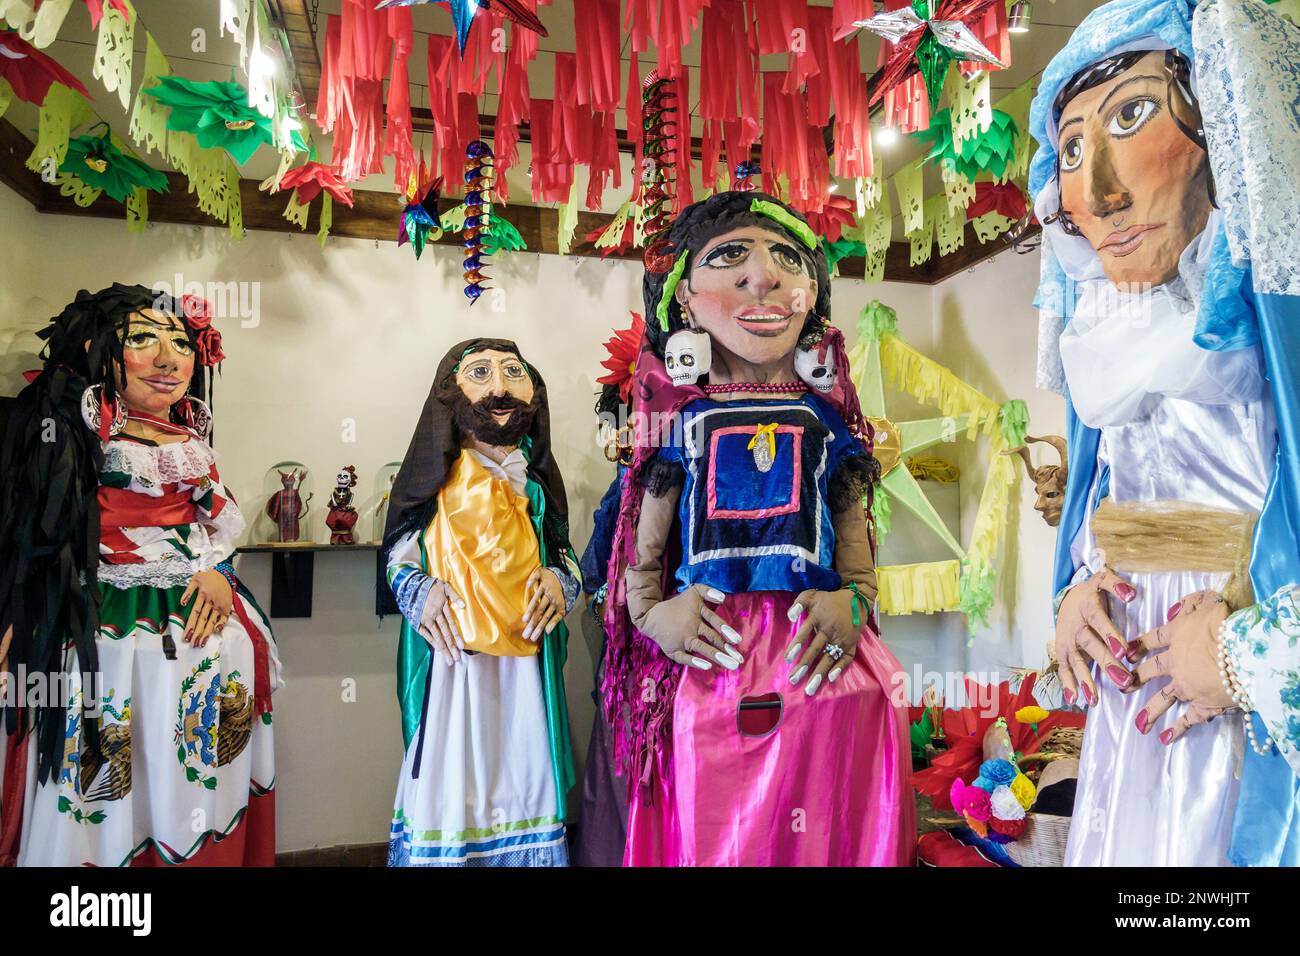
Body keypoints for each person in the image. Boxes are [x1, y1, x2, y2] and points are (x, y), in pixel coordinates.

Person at [1032, 0, 1300, 866]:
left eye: (1133, 115)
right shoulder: (1108, 332)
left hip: (1240, 715)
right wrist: (1080, 589)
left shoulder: (1278, 334)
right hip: (1132, 705)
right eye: (1073, 150)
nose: (1099, 192)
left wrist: (1241, 656)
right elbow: (1109, 501)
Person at [601, 190, 914, 866]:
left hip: (823, 654)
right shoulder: (677, 419)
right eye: (730, 255)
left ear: (810, 295)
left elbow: (857, 549)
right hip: (714, 655)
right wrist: (654, 614)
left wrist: (853, 600)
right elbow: (642, 556)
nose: (762, 275)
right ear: (681, 296)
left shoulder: (828, 418)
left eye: (786, 258)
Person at [0, 284, 280, 867]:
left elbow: (219, 523)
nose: (168, 358)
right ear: (98, 350)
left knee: (190, 771)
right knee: (104, 777)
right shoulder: (79, 432)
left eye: (181, 342)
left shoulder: (191, 441)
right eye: (143, 339)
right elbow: (38, 532)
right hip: (101, 614)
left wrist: (220, 574)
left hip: (197, 615)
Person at [382, 339, 579, 866]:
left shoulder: (536, 487)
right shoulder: (433, 483)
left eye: (513, 373)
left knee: (523, 774)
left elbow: (565, 552)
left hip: (524, 674)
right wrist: (417, 591)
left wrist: (563, 581)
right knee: (452, 784)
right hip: (453, 670)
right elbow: (398, 554)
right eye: (482, 373)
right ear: (451, 395)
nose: (499, 387)